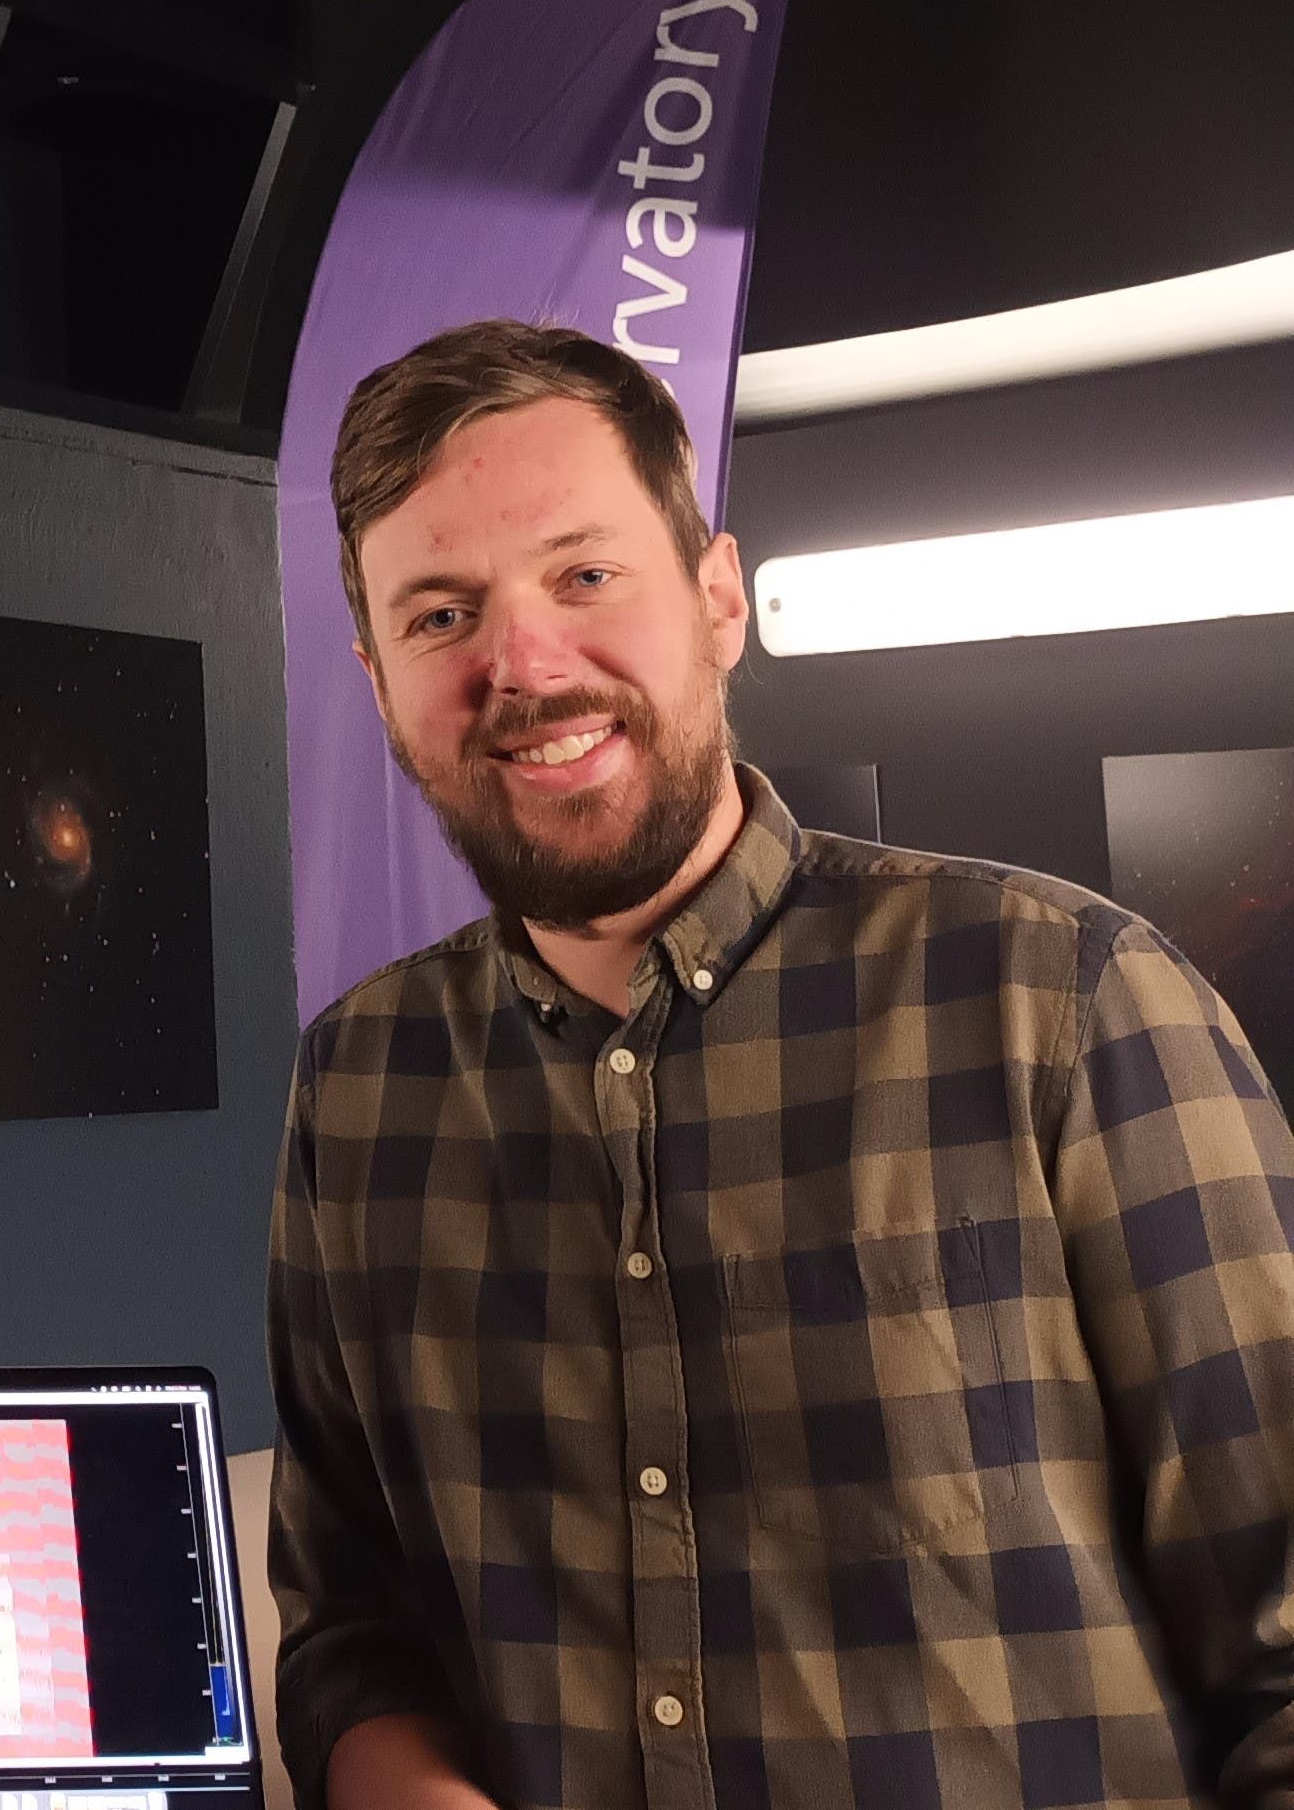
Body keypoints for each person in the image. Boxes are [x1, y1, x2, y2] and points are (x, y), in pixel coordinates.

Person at [266, 321, 1294, 1810]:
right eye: (440, 616)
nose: (523, 664)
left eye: (583, 574)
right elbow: (348, 1628)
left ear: (719, 598)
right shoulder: (356, 1092)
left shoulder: (1062, 1001)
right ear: (377, 682)